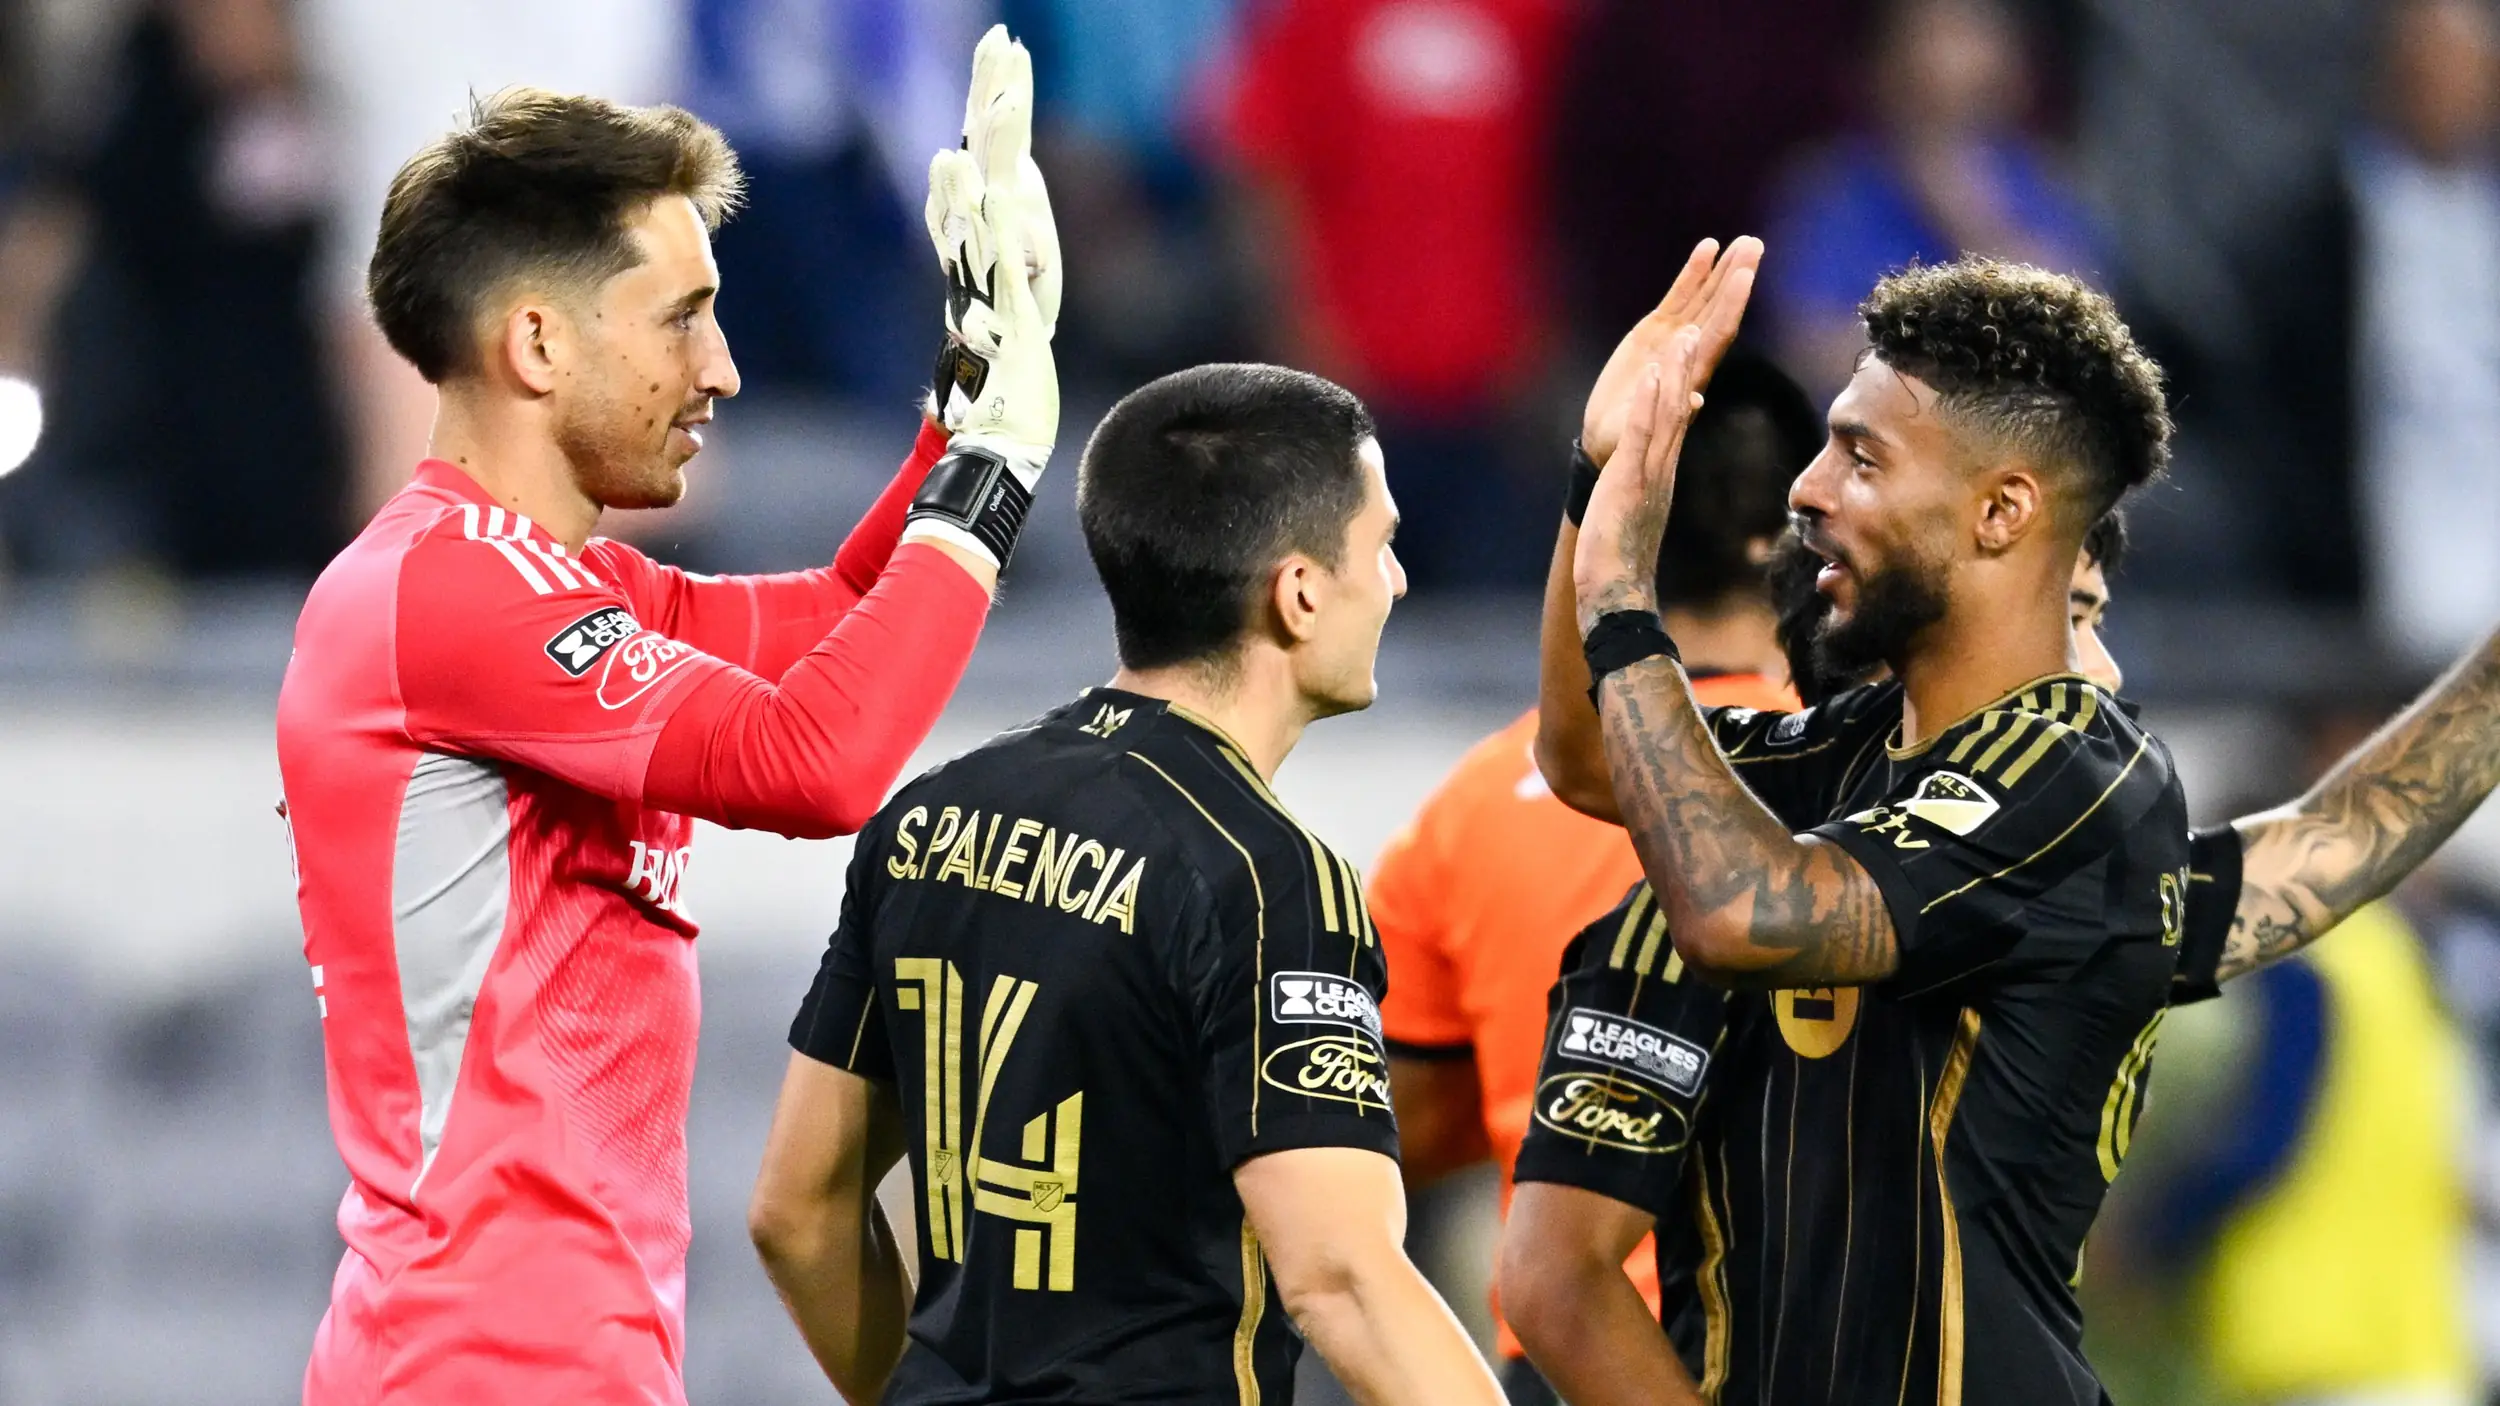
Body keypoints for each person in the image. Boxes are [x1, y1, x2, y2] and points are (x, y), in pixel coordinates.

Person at [274, 34, 1062, 1404]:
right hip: (484, 1369)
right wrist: (992, 482)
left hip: (541, 1358)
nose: (725, 368)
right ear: (536, 339)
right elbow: (815, 762)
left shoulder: (543, 581)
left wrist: (964, 398)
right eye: (682, 316)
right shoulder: (444, 593)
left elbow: (836, 617)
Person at [1505, 566, 2500, 1406]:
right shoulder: (1677, 925)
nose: (2103, 672)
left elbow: (2336, 841)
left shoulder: (2080, 889)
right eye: (2071, 620)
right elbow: (1557, 1279)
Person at [747, 362, 1504, 1406]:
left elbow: (799, 1210)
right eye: (1381, 545)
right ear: (1298, 591)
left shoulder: (926, 815)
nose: (1399, 581)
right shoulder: (1266, 876)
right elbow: (1342, 1281)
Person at [1557, 247, 2188, 1404]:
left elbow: (1744, 910)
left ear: (2001, 511)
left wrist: (1619, 596)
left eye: (1859, 455)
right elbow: (1595, 753)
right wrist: (1597, 483)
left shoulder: (2076, 772)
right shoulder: (1848, 750)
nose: (1805, 487)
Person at [1365, 350, 1817, 1403]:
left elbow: (1394, 1122)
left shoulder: (1479, 795)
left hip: (1563, 1353)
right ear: (1797, 533)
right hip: (1808, 1334)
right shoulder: (1864, 771)